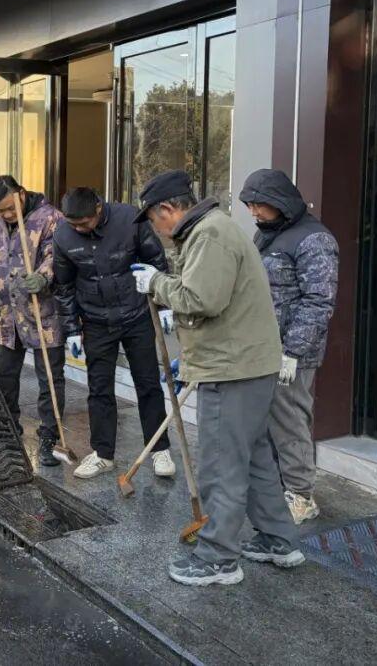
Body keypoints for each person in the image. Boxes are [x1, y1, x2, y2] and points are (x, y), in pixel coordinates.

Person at [131, 169, 303, 587]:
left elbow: (202, 299)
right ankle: (278, 539)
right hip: (247, 364)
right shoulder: (211, 230)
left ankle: (218, 558)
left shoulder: (209, 234)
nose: (154, 229)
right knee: (255, 457)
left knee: (222, 464)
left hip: (232, 369)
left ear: (167, 209)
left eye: (153, 219)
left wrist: (156, 282)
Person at [53, 186, 176, 480]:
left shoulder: (129, 219)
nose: (79, 229)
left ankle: (159, 449)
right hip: (95, 320)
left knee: (148, 383)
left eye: (84, 223)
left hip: (137, 315)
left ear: (98, 208)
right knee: (99, 389)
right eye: (73, 224)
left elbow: (156, 262)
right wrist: (72, 329)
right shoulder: (63, 235)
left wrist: (165, 305)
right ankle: (102, 454)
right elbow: (64, 286)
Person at [239, 169, 339, 524]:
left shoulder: (314, 240)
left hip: (293, 354)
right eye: (249, 205)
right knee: (264, 421)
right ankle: (276, 487)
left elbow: (319, 301)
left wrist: (293, 352)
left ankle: (300, 495)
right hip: (263, 347)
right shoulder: (267, 234)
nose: (253, 212)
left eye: (259, 205)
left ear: (280, 202)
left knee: (290, 421)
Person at [0, 175, 67, 467]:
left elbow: (58, 256)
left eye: (10, 208)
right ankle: (7, 426)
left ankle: (49, 436)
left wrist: (44, 276)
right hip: (8, 316)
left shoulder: (51, 218)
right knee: (4, 375)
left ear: (21, 194)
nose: (7, 215)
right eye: (1, 210)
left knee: (49, 379)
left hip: (42, 314)